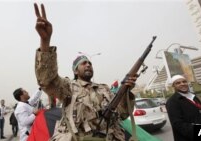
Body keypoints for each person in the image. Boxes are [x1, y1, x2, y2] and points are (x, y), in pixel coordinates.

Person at [33, 3, 138, 141]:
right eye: (83, 63)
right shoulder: (68, 87)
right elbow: (47, 81)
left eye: (90, 63)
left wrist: (126, 93)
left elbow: (122, 114)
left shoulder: (105, 89)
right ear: (75, 71)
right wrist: (45, 41)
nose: (88, 65)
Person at [166, 75, 201, 141]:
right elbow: (178, 125)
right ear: (173, 86)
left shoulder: (194, 97)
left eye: (184, 81)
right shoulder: (172, 101)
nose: (182, 84)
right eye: (178, 83)